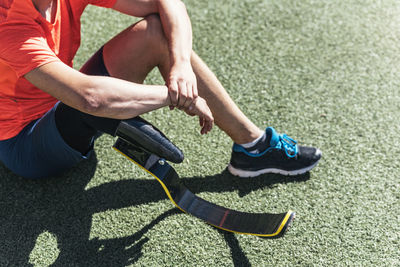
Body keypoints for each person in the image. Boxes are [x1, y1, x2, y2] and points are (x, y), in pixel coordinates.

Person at [0, 0, 321, 179]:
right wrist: (175, 95)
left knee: (156, 31)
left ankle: (254, 148)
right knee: (90, 103)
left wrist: (180, 64)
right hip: (26, 143)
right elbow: (89, 97)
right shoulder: (9, 24)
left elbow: (165, 2)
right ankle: (115, 117)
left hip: (67, 100)